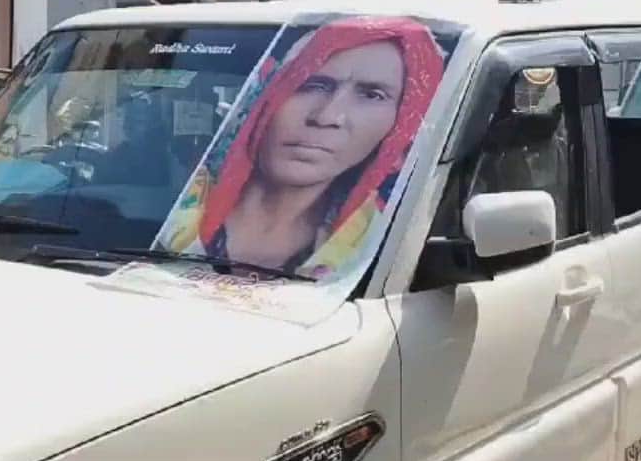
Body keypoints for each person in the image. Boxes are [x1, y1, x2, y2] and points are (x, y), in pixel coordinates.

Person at [154, 16, 445, 279]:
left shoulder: (388, 245)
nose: (326, 117)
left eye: (372, 95)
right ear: (265, 97)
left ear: (400, 126)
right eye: (312, 85)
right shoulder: (165, 207)